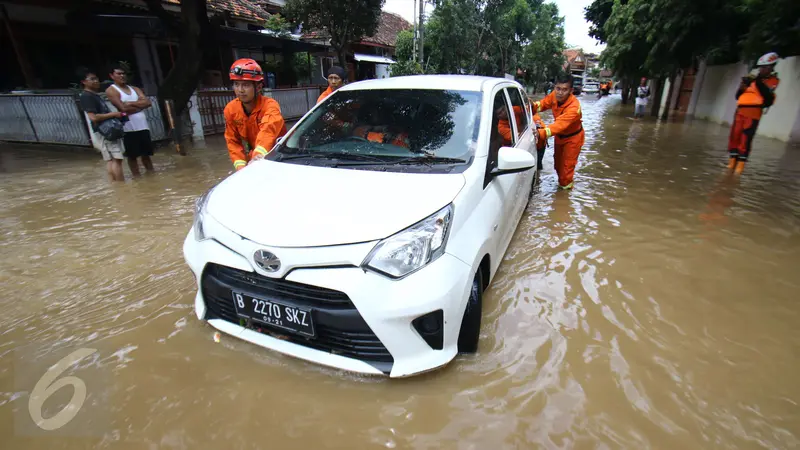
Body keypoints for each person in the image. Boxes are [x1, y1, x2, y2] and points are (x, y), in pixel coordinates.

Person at [223, 58, 287, 171]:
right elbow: (232, 141)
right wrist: (241, 167)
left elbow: (268, 131)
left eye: (246, 85)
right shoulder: (231, 109)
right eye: (236, 84)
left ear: (258, 87)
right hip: (255, 157)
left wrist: (257, 155)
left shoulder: (270, 106)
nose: (240, 90)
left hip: (281, 156)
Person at [727, 52, 780, 174]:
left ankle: (740, 167)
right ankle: (731, 164)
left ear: (771, 68)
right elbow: (737, 96)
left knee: (746, 139)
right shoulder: (751, 80)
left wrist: (756, 80)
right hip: (740, 111)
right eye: (761, 67)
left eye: (765, 67)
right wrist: (743, 85)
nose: (762, 70)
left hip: (753, 113)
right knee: (734, 136)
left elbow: (767, 98)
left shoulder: (772, 81)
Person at [532, 73, 584, 190]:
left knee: (566, 170)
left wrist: (541, 133)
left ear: (571, 90)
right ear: (554, 87)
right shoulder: (554, 96)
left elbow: (559, 125)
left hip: (573, 139)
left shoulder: (574, 107)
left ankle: (564, 195)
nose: (560, 92)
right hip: (560, 137)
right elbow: (542, 104)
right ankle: (563, 186)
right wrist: (531, 105)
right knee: (558, 165)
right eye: (558, 88)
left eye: (564, 90)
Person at [105, 64, 154, 176]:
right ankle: (137, 178)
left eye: (123, 74)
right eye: (119, 74)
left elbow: (148, 102)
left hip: (143, 126)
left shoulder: (135, 89)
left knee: (146, 155)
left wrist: (131, 103)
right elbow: (123, 108)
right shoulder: (112, 90)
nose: (122, 76)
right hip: (128, 128)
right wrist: (140, 106)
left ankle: (151, 176)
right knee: (132, 157)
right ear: (112, 76)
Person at [78, 68, 126, 182]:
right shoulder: (87, 96)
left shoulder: (93, 95)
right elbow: (93, 117)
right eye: (92, 79)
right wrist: (114, 114)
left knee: (110, 159)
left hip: (103, 131)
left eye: (96, 78)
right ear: (84, 82)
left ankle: (115, 185)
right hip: (105, 131)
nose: (96, 81)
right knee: (117, 159)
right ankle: (121, 185)